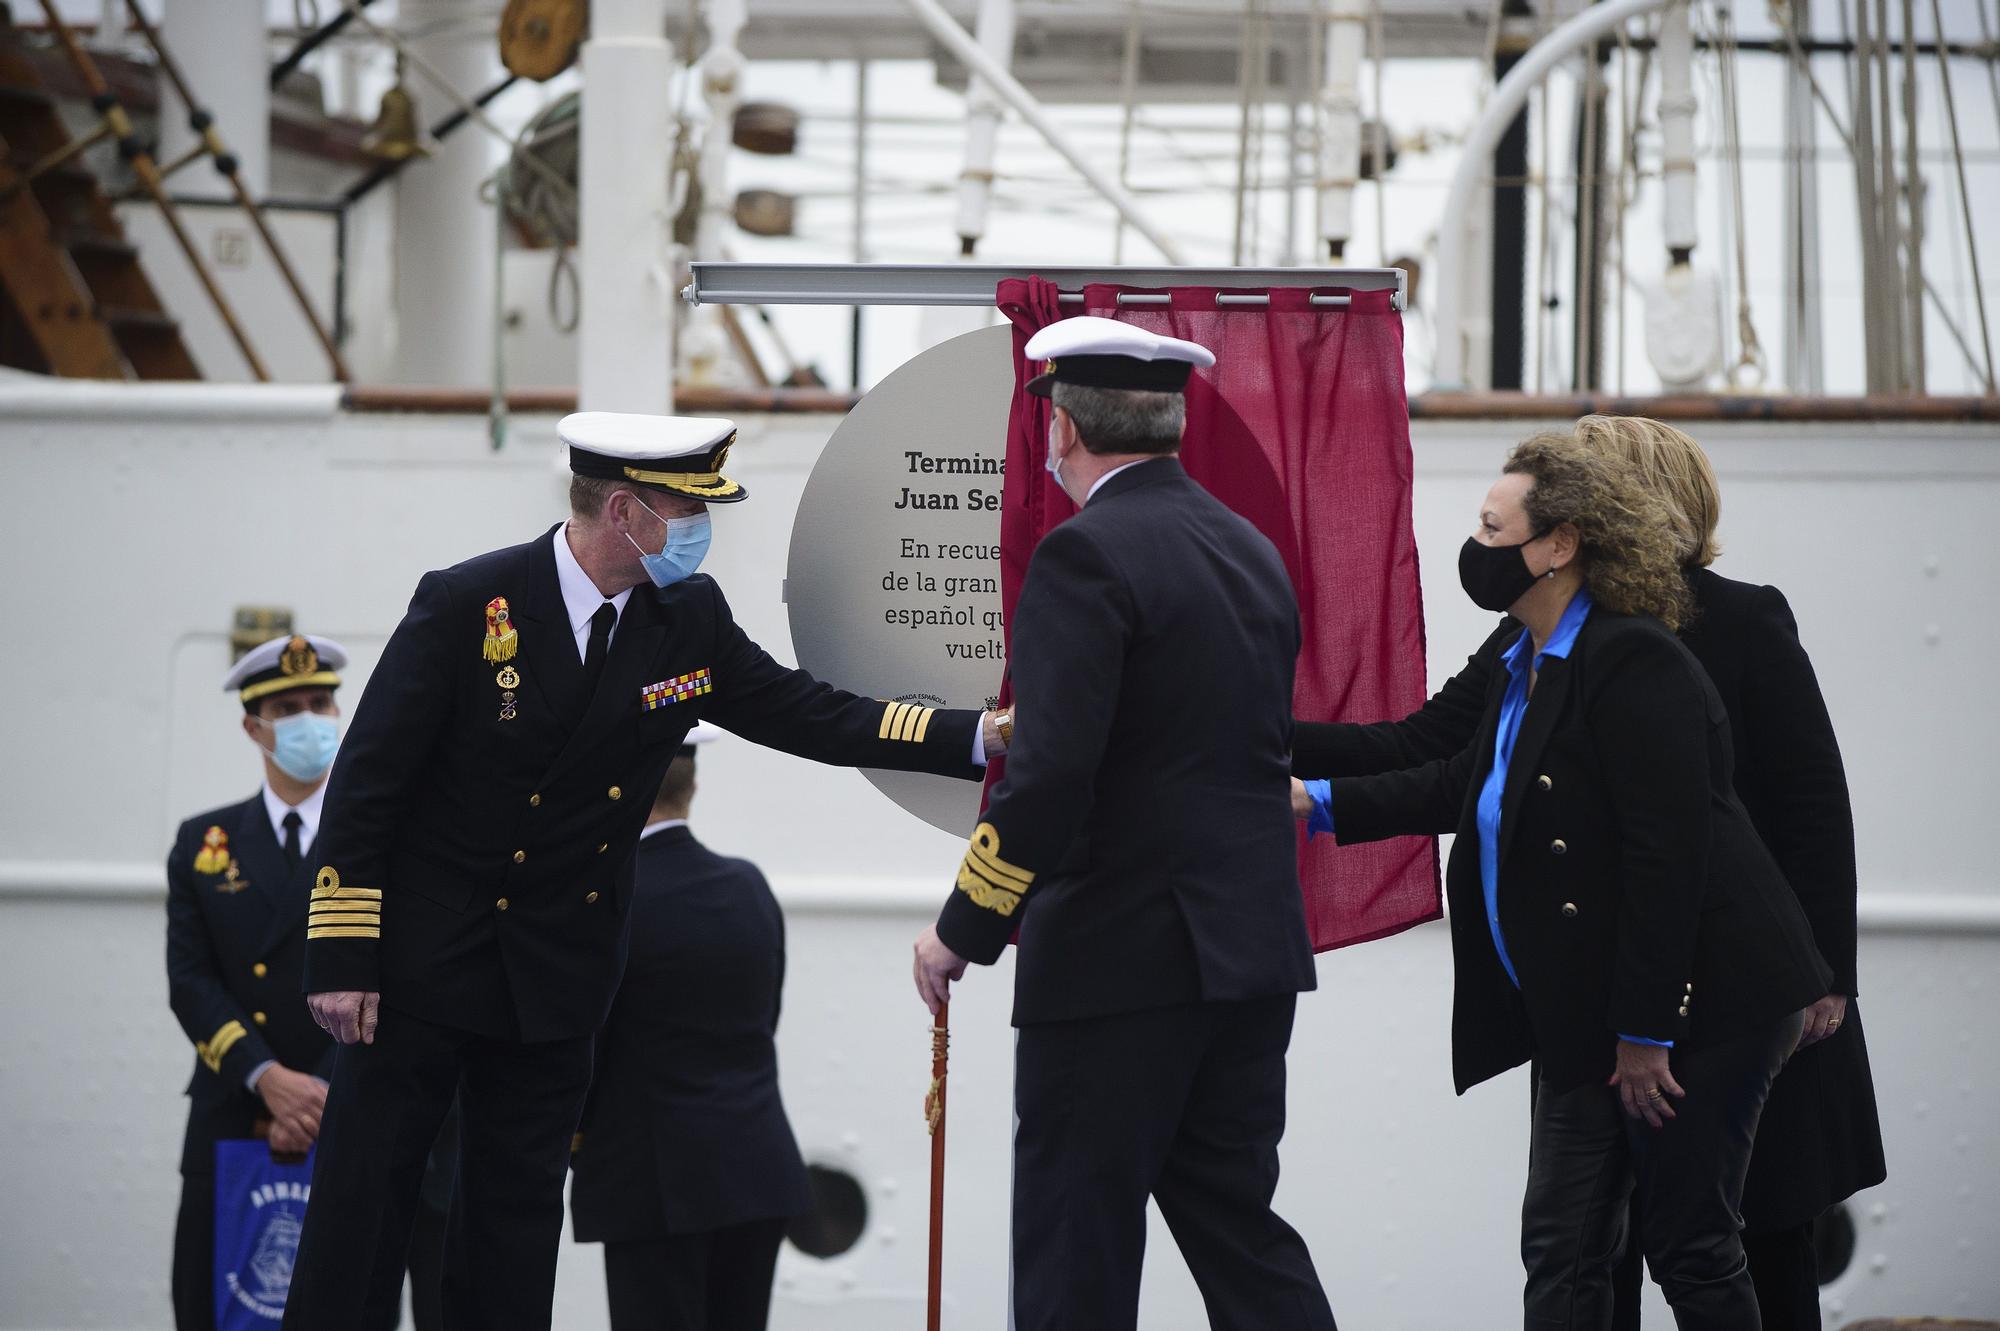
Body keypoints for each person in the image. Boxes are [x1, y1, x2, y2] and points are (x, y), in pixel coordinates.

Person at [284, 413, 1007, 1331]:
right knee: (365, 1210)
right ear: (624, 510)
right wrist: (342, 957)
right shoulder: (471, 603)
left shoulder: (684, 619)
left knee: (510, 1231)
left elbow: (807, 712)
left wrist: (976, 738)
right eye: (687, 508)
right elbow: (366, 788)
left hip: (555, 981)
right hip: (422, 969)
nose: (704, 530)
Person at [1293, 415, 1883, 1328]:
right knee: (1582, 1243)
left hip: (1722, 978)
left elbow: (1801, 812)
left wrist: (1828, 983)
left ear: (1585, 523)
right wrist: (1266, 746)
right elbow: (1439, 759)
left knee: (1732, 1232)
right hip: (1598, 983)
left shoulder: (1701, 632)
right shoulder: (1535, 641)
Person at [911, 317, 1336, 1331]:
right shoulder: (1249, 550)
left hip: (1117, 965)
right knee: (1240, 1232)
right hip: (1246, 956)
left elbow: (1051, 779)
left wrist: (962, 926)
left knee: (1075, 1248)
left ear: (1059, 426)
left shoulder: (1083, 555)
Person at [570, 722, 809, 1331]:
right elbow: (765, 1019)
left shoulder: (610, 899)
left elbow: (584, 1046)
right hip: (756, 1170)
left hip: (654, 1184)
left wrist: (570, 1139)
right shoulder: (749, 887)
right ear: (692, 783)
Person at [167, 633, 345, 1331]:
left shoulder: (383, 841)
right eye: (289, 707)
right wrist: (268, 1076)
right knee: (216, 1307)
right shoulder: (203, 843)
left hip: (344, 1116)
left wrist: (321, 1092)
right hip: (234, 1114)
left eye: (321, 701)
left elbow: (398, 979)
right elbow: (190, 981)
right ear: (253, 726)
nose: (310, 718)